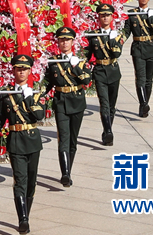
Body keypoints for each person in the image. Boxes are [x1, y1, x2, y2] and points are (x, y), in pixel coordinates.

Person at [0, 54, 45, 234]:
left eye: (25, 69)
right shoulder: (7, 94)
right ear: (14, 71)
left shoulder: (35, 93)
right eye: (18, 69)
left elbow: (39, 116)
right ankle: (23, 219)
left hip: (32, 141)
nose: (21, 72)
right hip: (16, 141)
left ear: (30, 71)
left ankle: (26, 214)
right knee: (20, 181)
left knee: (31, 182)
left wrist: (28, 98)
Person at [43, 27, 91, 188]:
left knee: (72, 140)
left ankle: (68, 169)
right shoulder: (53, 62)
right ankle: (65, 174)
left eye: (67, 40)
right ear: (58, 42)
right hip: (61, 102)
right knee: (63, 138)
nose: (64, 43)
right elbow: (48, 83)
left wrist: (75, 67)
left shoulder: (80, 61)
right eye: (62, 40)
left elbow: (86, 81)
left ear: (72, 42)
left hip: (77, 101)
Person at [80, 3, 126, 145]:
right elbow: (87, 55)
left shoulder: (117, 35)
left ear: (112, 17)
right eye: (102, 15)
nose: (105, 18)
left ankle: (107, 132)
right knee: (104, 103)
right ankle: (108, 131)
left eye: (108, 15)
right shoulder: (93, 35)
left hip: (113, 71)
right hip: (99, 71)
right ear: (98, 17)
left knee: (112, 105)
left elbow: (116, 53)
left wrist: (112, 39)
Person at [122, 0, 153, 117]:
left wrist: (151, 18)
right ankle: (144, 103)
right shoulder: (132, 14)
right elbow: (126, 32)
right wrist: (118, 42)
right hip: (138, 48)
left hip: (150, 47)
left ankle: (144, 105)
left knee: (149, 80)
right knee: (140, 78)